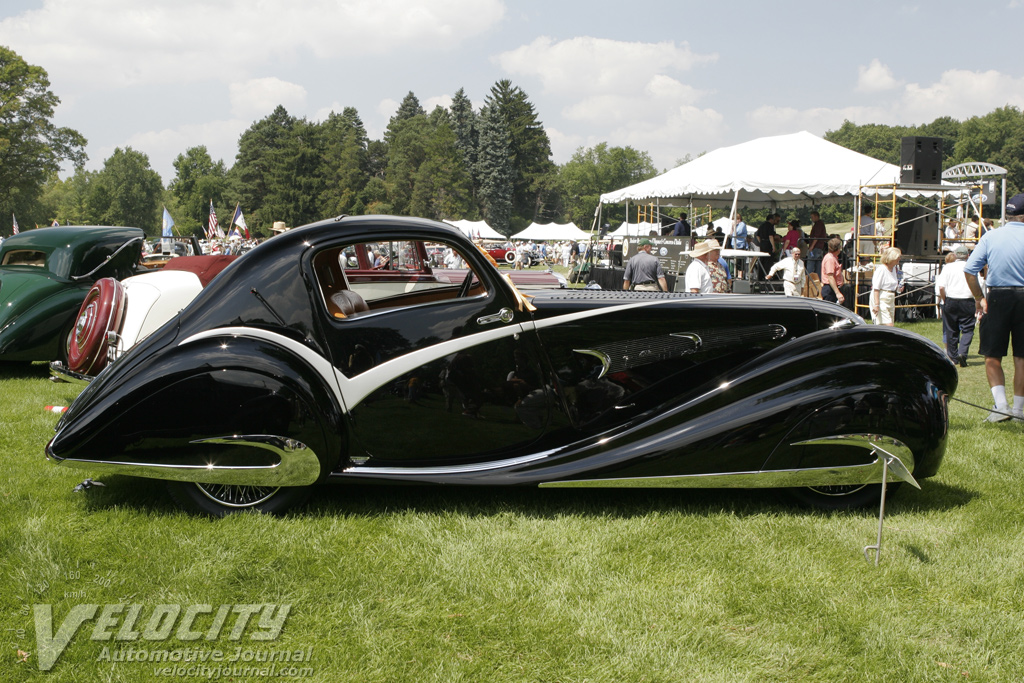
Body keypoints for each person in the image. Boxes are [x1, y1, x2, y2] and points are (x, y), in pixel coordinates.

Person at [964, 192, 1024, 422]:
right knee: (1022, 357)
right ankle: (1018, 410)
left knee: (992, 354)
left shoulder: (991, 236)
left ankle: (1001, 407)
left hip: (998, 296)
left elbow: (970, 270)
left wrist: (979, 297)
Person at [937, 245, 977, 367]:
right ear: (968, 256)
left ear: (955, 255)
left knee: (951, 329)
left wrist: (945, 299)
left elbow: (941, 287)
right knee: (968, 329)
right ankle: (962, 352)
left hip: (951, 299)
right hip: (967, 300)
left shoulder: (948, 267)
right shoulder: (971, 267)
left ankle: (953, 357)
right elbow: (977, 285)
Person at [870, 246, 902, 326]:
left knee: (888, 323)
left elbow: (892, 284)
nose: (899, 259)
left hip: (890, 298)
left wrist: (898, 289)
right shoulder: (881, 269)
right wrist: (876, 305)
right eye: (898, 257)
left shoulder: (894, 269)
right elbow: (876, 288)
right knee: (889, 325)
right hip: (881, 298)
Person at [821, 237, 845, 306]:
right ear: (837, 249)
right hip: (830, 290)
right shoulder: (830, 259)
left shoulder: (833, 257)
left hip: (832, 289)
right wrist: (837, 293)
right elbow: (830, 277)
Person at [807, 211, 828, 276]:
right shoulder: (819, 224)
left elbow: (816, 236)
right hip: (819, 247)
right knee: (818, 264)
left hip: (816, 247)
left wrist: (811, 246)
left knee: (811, 263)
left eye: (812, 217)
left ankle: (809, 278)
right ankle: (818, 278)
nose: (811, 219)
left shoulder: (818, 224)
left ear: (816, 216)